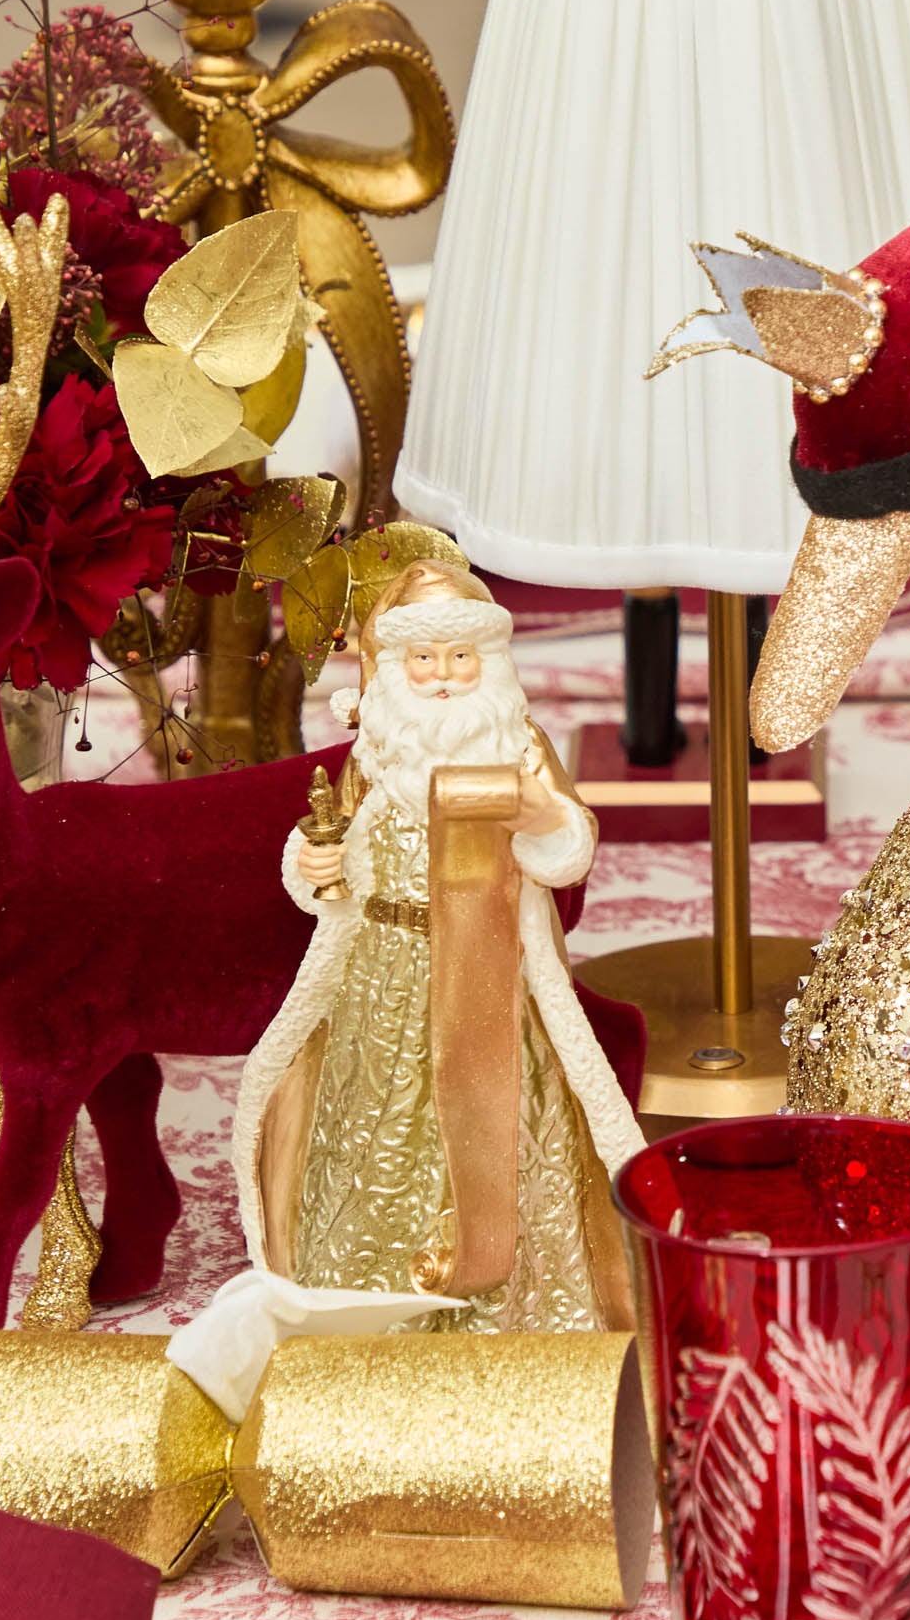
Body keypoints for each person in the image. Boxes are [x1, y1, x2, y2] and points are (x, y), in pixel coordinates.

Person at [230, 559, 643, 1333]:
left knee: (493, 1127)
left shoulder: (517, 743)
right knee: (370, 1126)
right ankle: (363, 1295)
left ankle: (505, 1298)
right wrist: (315, 863)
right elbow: (337, 846)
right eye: (424, 659)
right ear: (395, 667)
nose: (444, 677)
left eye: (461, 658)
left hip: (486, 977)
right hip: (380, 977)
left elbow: (570, 844)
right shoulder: (377, 750)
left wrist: (536, 818)